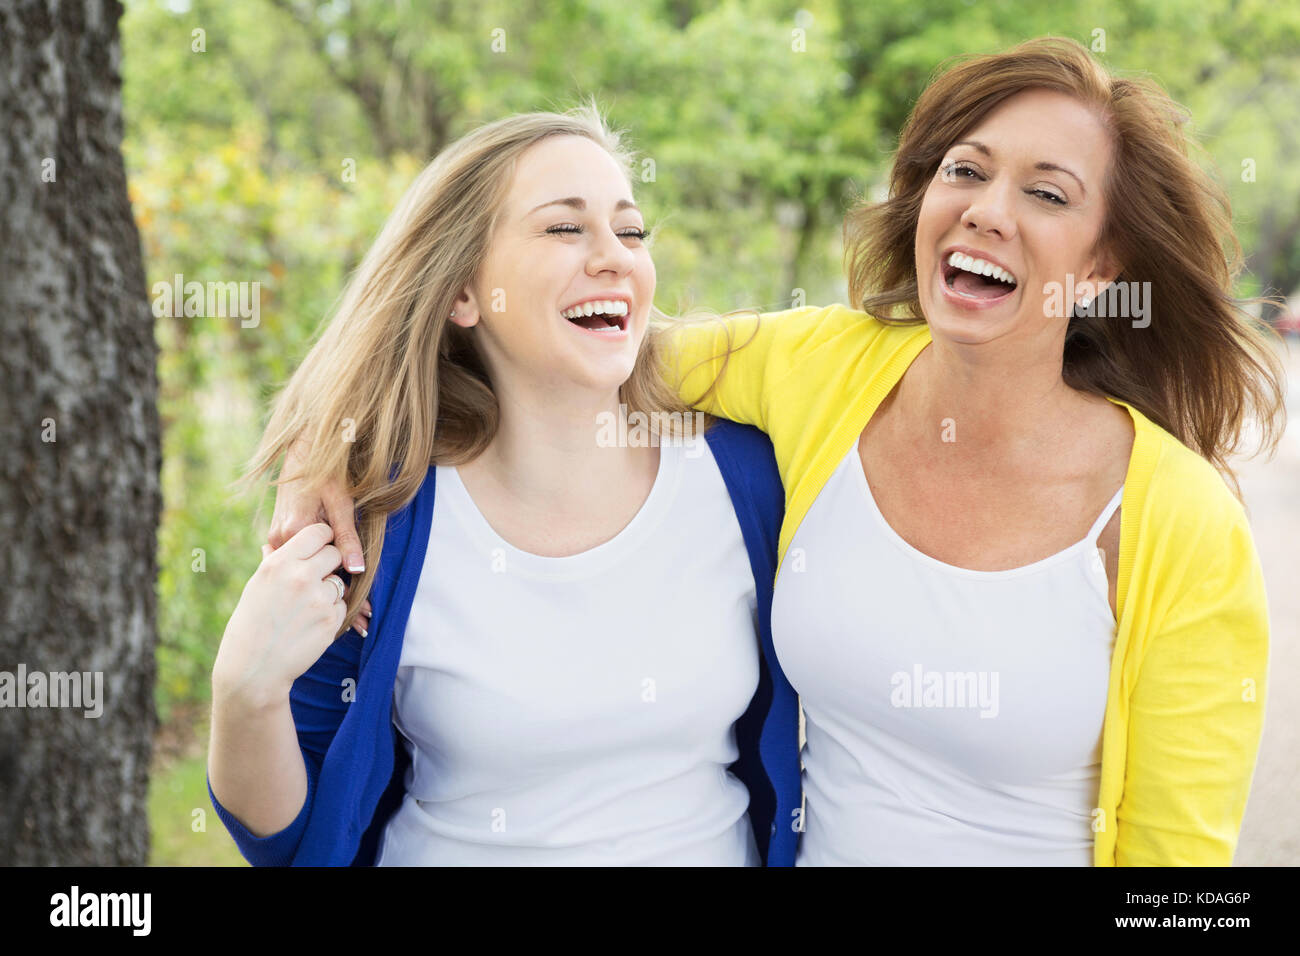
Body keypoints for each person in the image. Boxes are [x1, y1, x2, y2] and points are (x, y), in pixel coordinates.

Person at [276, 38, 1286, 866]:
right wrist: (341, 441)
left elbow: (1178, 869)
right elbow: (573, 346)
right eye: (964, 171)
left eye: (1048, 195)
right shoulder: (821, 370)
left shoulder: (1177, 520)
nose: (986, 208)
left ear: (1104, 266)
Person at [206, 104, 801, 866]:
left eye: (631, 230)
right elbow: (292, 836)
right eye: (564, 228)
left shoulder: (744, 478)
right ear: (462, 295)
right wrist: (241, 692)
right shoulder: (380, 520)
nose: (614, 255)